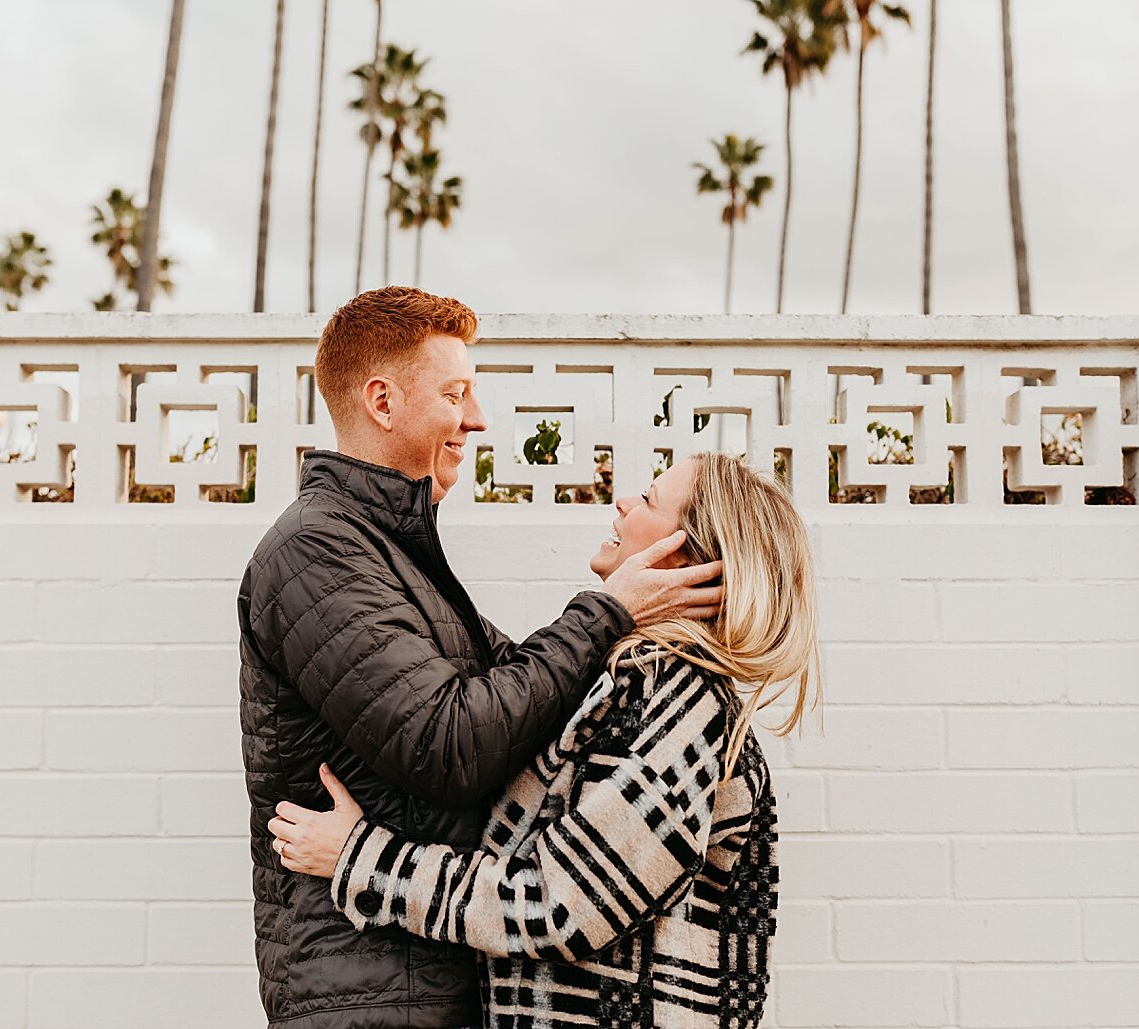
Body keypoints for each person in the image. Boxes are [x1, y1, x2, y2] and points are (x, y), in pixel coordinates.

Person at [238, 286, 725, 1029]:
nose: (476, 418)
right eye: (455, 393)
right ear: (381, 401)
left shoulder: (390, 551)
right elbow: (448, 745)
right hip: (371, 991)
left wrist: (631, 620)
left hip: (420, 973)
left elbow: (515, 690)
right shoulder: (317, 550)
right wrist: (609, 611)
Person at [268, 451, 823, 1029]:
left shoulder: (688, 708)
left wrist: (361, 859)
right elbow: (497, 691)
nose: (623, 502)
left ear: (685, 560)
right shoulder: (617, 687)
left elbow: (556, 905)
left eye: (650, 499)